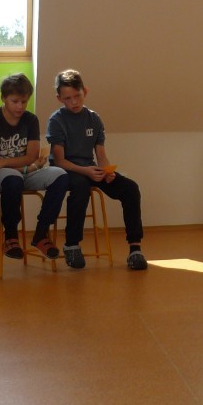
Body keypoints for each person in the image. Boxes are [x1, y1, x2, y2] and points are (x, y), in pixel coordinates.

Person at [46, 69, 147, 271]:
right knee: (80, 186)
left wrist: (106, 171)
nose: (74, 102)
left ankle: (135, 248)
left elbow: (101, 155)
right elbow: (60, 161)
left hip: (90, 169)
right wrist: (87, 171)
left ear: (85, 91)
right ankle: (72, 244)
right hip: (66, 171)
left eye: (77, 96)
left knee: (130, 188)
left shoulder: (94, 119)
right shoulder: (56, 121)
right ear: (59, 99)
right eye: (68, 98)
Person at [0, 73, 67, 260]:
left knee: (60, 175)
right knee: (13, 179)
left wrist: (5, 162)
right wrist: (20, 166)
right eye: (15, 101)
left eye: (24, 102)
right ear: (3, 98)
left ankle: (41, 233)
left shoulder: (30, 119)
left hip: (23, 173)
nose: (20, 106)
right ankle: (11, 236)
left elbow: (31, 156)